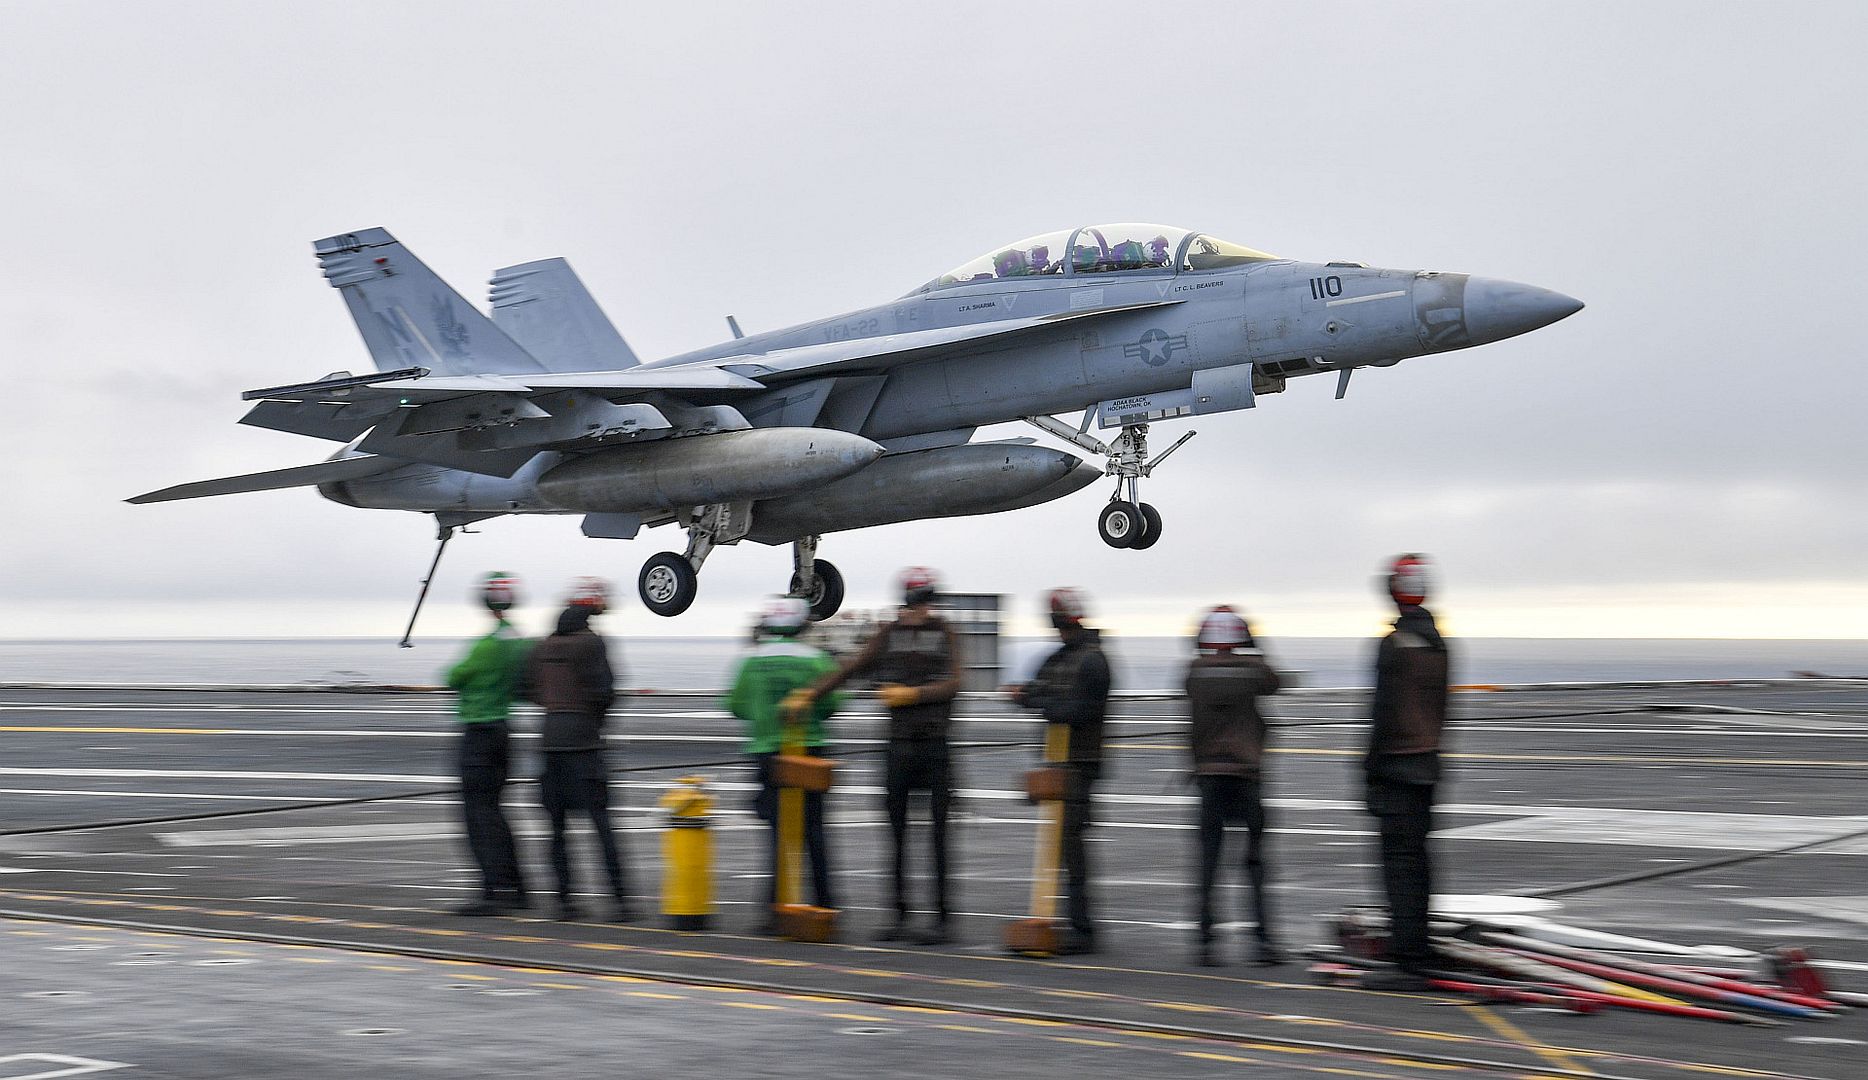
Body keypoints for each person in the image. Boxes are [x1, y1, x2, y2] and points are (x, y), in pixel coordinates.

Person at [798, 567, 962, 945]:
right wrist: (811, 694)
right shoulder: (889, 634)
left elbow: (956, 683)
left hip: (936, 746)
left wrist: (913, 695)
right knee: (896, 837)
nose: (921, 609)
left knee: (939, 838)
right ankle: (900, 916)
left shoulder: (946, 633)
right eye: (917, 602)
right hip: (899, 747)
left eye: (925, 602)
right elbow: (852, 668)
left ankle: (941, 919)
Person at [1360, 554, 1452, 990]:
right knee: (1419, 860)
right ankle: (1419, 943)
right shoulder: (1440, 644)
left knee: (1397, 863)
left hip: (1396, 767)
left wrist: (1369, 767)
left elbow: (1382, 714)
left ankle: (1408, 955)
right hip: (1428, 765)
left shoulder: (1393, 646)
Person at [725, 596, 844, 928]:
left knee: (778, 833)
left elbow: (734, 705)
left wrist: (765, 720)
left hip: (768, 753)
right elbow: (833, 702)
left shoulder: (753, 660)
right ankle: (825, 904)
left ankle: (776, 910)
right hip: (810, 751)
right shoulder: (817, 659)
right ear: (802, 625)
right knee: (815, 831)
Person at [522, 578, 633, 922]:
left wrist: (555, 707)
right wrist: (594, 722)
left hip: (550, 742)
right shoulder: (593, 644)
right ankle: (620, 901)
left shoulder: (543, 646)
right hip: (585, 743)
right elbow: (605, 692)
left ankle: (564, 901)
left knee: (556, 830)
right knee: (602, 825)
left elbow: (526, 689)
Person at [1010, 588, 1111, 955]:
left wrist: (1035, 700)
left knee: (1071, 848)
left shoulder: (1089, 662)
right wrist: (1029, 697)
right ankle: (1068, 922)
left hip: (1078, 764)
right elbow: (1043, 694)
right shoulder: (1067, 659)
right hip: (1060, 762)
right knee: (1061, 848)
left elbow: (1078, 710)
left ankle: (1082, 928)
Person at [1183, 606, 1285, 967]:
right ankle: (1263, 943)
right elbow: (1278, 682)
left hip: (1209, 776)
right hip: (1246, 776)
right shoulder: (1251, 671)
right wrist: (1255, 646)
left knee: (1208, 863)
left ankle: (1206, 942)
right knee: (1255, 863)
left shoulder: (1194, 674)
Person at [444, 572, 532, 917]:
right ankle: (516, 887)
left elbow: (453, 676)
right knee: (497, 814)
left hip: (478, 733)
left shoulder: (486, 644)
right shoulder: (518, 640)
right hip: (503, 731)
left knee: (478, 818)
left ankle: (492, 891)